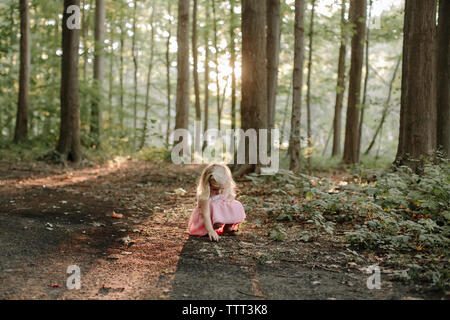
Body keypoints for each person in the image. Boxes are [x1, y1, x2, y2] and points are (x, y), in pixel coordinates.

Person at [188, 163, 246, 242]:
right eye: (215, 189)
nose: (219, 192)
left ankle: (227, 228)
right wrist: (210, 230)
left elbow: (227, 205)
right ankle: (211, 230)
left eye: (221, 188)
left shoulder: (224, 191)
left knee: (235, 205)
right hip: (206, 223)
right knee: (213, 205)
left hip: (218, 219)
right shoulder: (205, 197)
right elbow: (206, 215)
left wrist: (224, 218)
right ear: (207, 185)